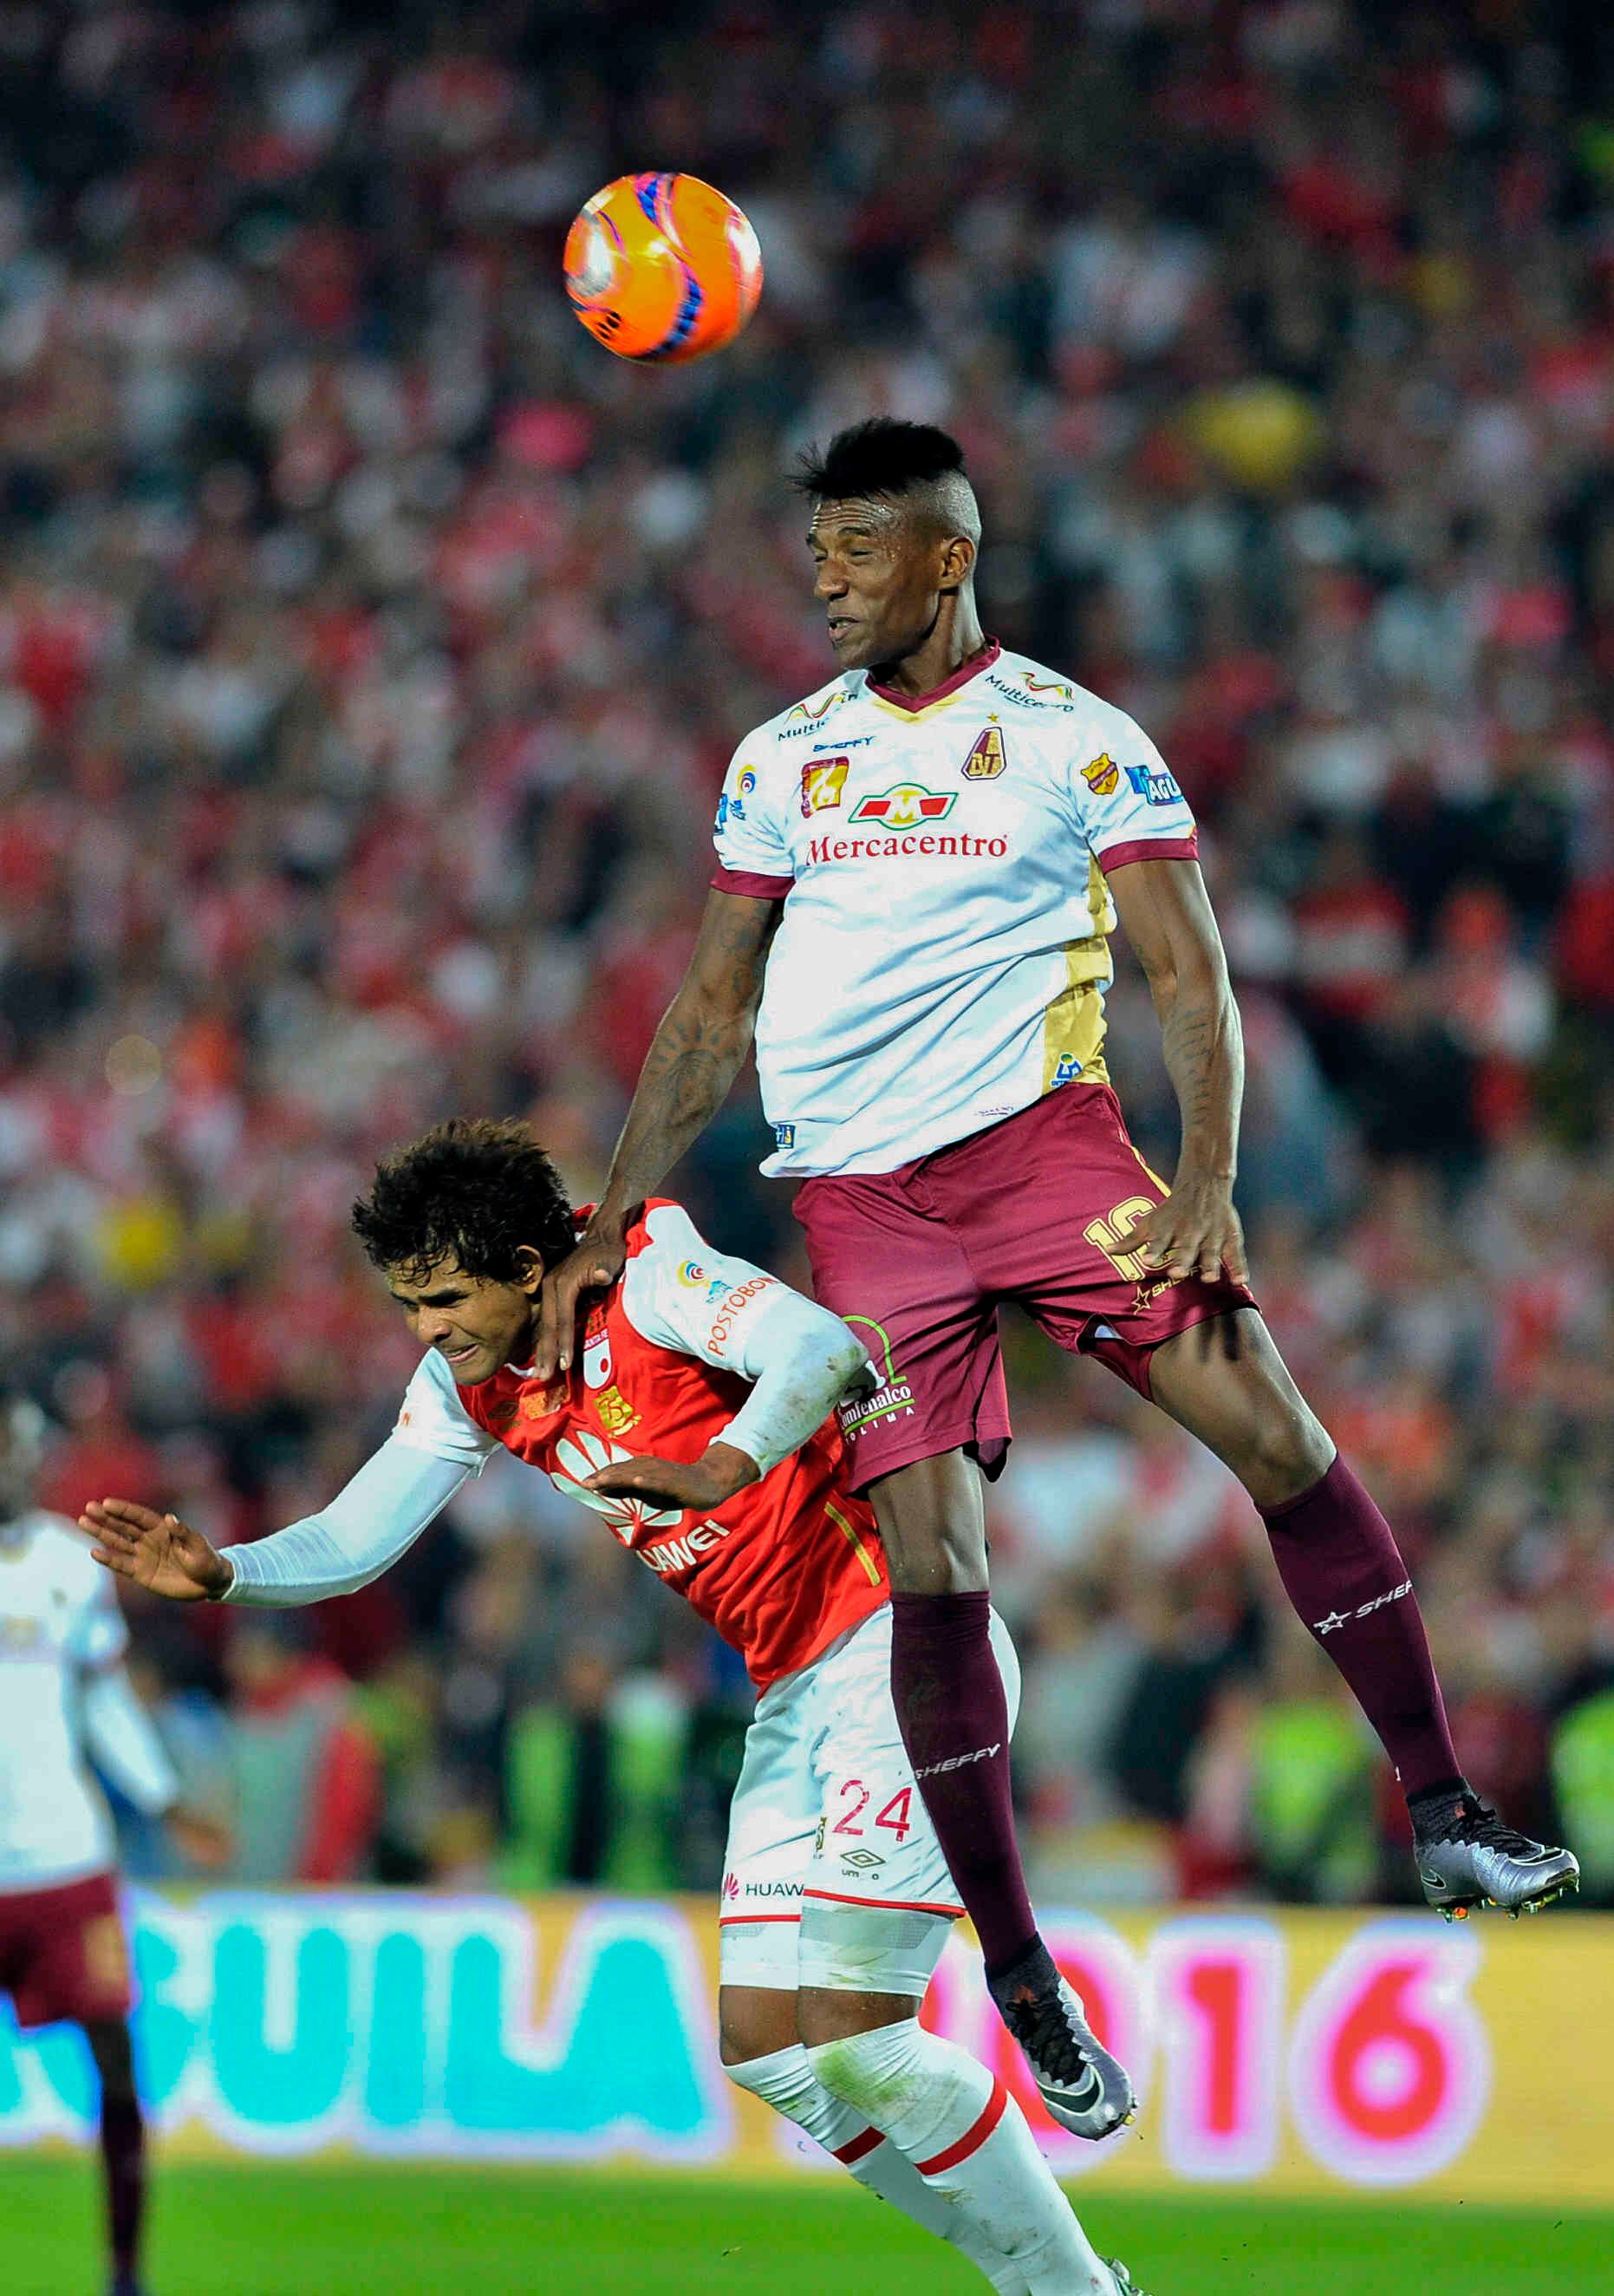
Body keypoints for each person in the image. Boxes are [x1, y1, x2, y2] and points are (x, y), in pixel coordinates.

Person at [533, 416, 1578, 2104]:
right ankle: (1019, 1976)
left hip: (1048, 1157)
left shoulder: (1075, 740)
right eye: (815, 553)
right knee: (932, 1569)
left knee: (1274, 1431)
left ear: (944, 558)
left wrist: (1207, 1176)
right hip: (863, 1206)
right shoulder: (780, 759)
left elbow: (1188, 971)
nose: (825, 582)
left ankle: (1445, 1807)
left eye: (856, 551)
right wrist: (610, 1223)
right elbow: (712, 1005)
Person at [86, 1119, 1146, 2296]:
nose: (426, 1329)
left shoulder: (652, 1276)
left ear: (524, 1267)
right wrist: (228, 1572)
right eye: (407, 1304)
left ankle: (1070, 2285)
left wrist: (723, 1465)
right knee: (768, 2050)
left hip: (900, 1647)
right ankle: (1061, 2281)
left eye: (444, 1298)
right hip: (791, 1690)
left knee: (859, 2037)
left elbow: (820, 1349)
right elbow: (357, 1534)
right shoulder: (470, 1381)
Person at [0, 1391, 227, 2296]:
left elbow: (103, 1700)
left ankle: (126, 2271)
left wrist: (165, 1800)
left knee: (117, 2063)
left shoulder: (68, 1561)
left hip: (67, 1858)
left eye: (17, 1450)